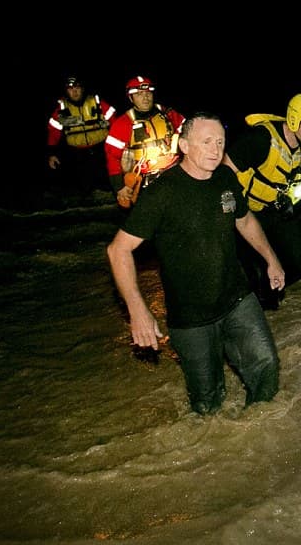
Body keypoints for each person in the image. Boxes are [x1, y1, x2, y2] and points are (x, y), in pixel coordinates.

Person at [106, 112, 285, 416]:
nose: (215, 149)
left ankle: (263, 438)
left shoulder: (227, 179)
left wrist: (272, 259)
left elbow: (244, 220)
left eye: (220, 142)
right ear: (184, 145)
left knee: (266, 367)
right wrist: (137, 310)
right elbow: (118, 250)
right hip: (190, 317)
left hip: (236, 298)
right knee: (208, 404)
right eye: (206, 142)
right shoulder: (162, 193)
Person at [223, 93, 301, 309]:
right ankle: (258, 304)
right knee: (255, 274)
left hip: (275, 209)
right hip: (244, 212)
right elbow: (225, 170)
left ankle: (270, 288)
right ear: (295, 120)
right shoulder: (260, 139)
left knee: (298, 266)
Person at [104, 76, 186, 209]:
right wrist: (119, 187)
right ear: (131, 98)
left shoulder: (167, 114)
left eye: (148, 93)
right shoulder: (122, 124)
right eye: (139, 94)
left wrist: (178, 139)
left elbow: (186, 128)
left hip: (173, 173)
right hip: (144, 181)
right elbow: (112, 157)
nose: (145, 97)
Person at [46, 76, 116, 197]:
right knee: (83, 185)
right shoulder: (61, 110)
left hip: (101, 149)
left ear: (83, 89)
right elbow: (53, 132)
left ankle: (110, 199)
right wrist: (52, 154)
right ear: (66, 91)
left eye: (77, 87)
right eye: (70, 88)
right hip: (76, 153)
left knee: (107, 180)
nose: (74, 91)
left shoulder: (97, 102)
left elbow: (116, 124)